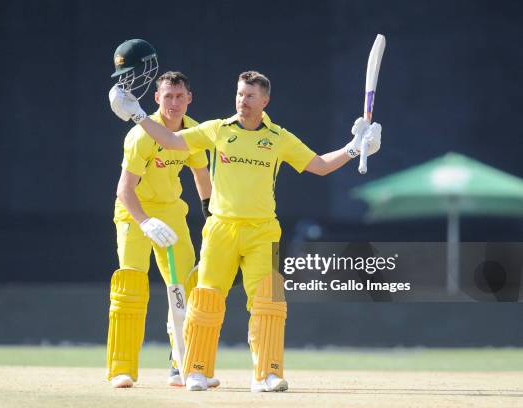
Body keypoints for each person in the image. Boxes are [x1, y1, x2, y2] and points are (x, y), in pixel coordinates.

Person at [109, 70, 382, 392]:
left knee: (268, 300)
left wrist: (354, 147)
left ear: (265, 101)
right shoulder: (216, 130)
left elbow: (319, 165)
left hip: (262, 230)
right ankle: (193, 371)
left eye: (250, 96)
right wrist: (138, 114)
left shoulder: (278, 138)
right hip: (221, 228)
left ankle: (267, 374)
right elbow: (169, 140)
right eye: (239, 94)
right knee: (205, 298)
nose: (243, 101)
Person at [106, 70, 219, 389]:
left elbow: (201, 176)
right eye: (167, 96)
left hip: (170, 211)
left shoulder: (194, 131)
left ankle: (180, 364)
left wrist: (211, 221)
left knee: (184, 286)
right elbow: (124, 190)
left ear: (189, 98)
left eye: (179, 96)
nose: (173, 102)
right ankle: (121, 368)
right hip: (133, 212)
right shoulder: (141, 135)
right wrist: (144, 221)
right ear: (156, 99)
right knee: (131, 282)